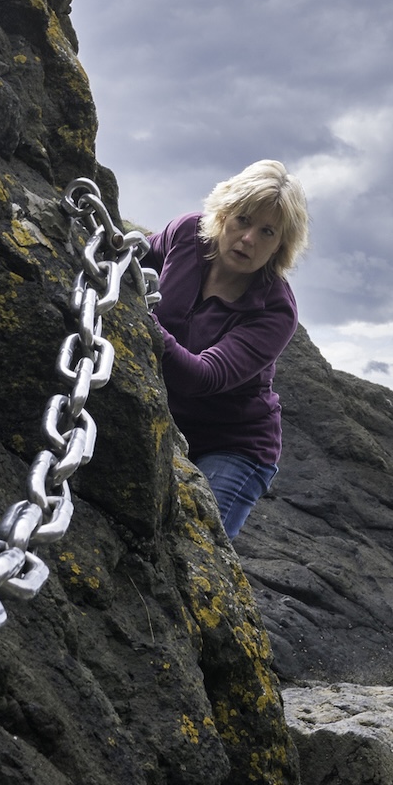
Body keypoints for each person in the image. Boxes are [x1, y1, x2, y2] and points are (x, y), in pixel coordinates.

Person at [144, 160, 308, 539]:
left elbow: (204, 376)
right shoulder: (187, 234)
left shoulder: (275, 310)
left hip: (233, 446)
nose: (248, 238)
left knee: (193, 546)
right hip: (167, 418)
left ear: (280, 246)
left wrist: (143, 323)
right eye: (243, 220)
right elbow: (133, 257)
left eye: (267, 232)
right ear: (223, 214)